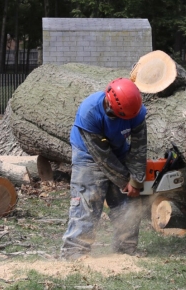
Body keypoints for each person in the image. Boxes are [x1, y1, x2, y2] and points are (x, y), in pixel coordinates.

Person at [60, 77, 148, 260]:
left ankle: (125, 250)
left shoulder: (136, 113)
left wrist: (136, 180)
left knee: (129, 203)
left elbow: (139, 148)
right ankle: (74, 252)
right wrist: (124, 180)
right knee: (88, 199)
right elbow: (102, 156)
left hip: (119, 151)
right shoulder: (90, 111)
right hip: (89, 155)